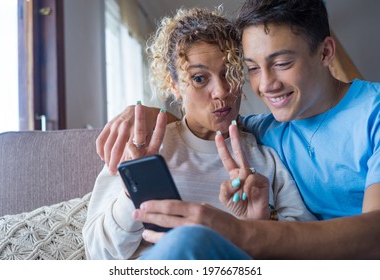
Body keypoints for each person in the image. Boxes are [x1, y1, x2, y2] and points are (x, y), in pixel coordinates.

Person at [95, 0, 380, 259]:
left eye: (282, 63)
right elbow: (204, 129)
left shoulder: (269, 146)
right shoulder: (268, 129)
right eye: (252, 68)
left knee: (189, 241)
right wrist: (147, 119)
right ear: (174, 84)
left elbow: (373, 235)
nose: (266, 84)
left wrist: (248, 229)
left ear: (326, 52)